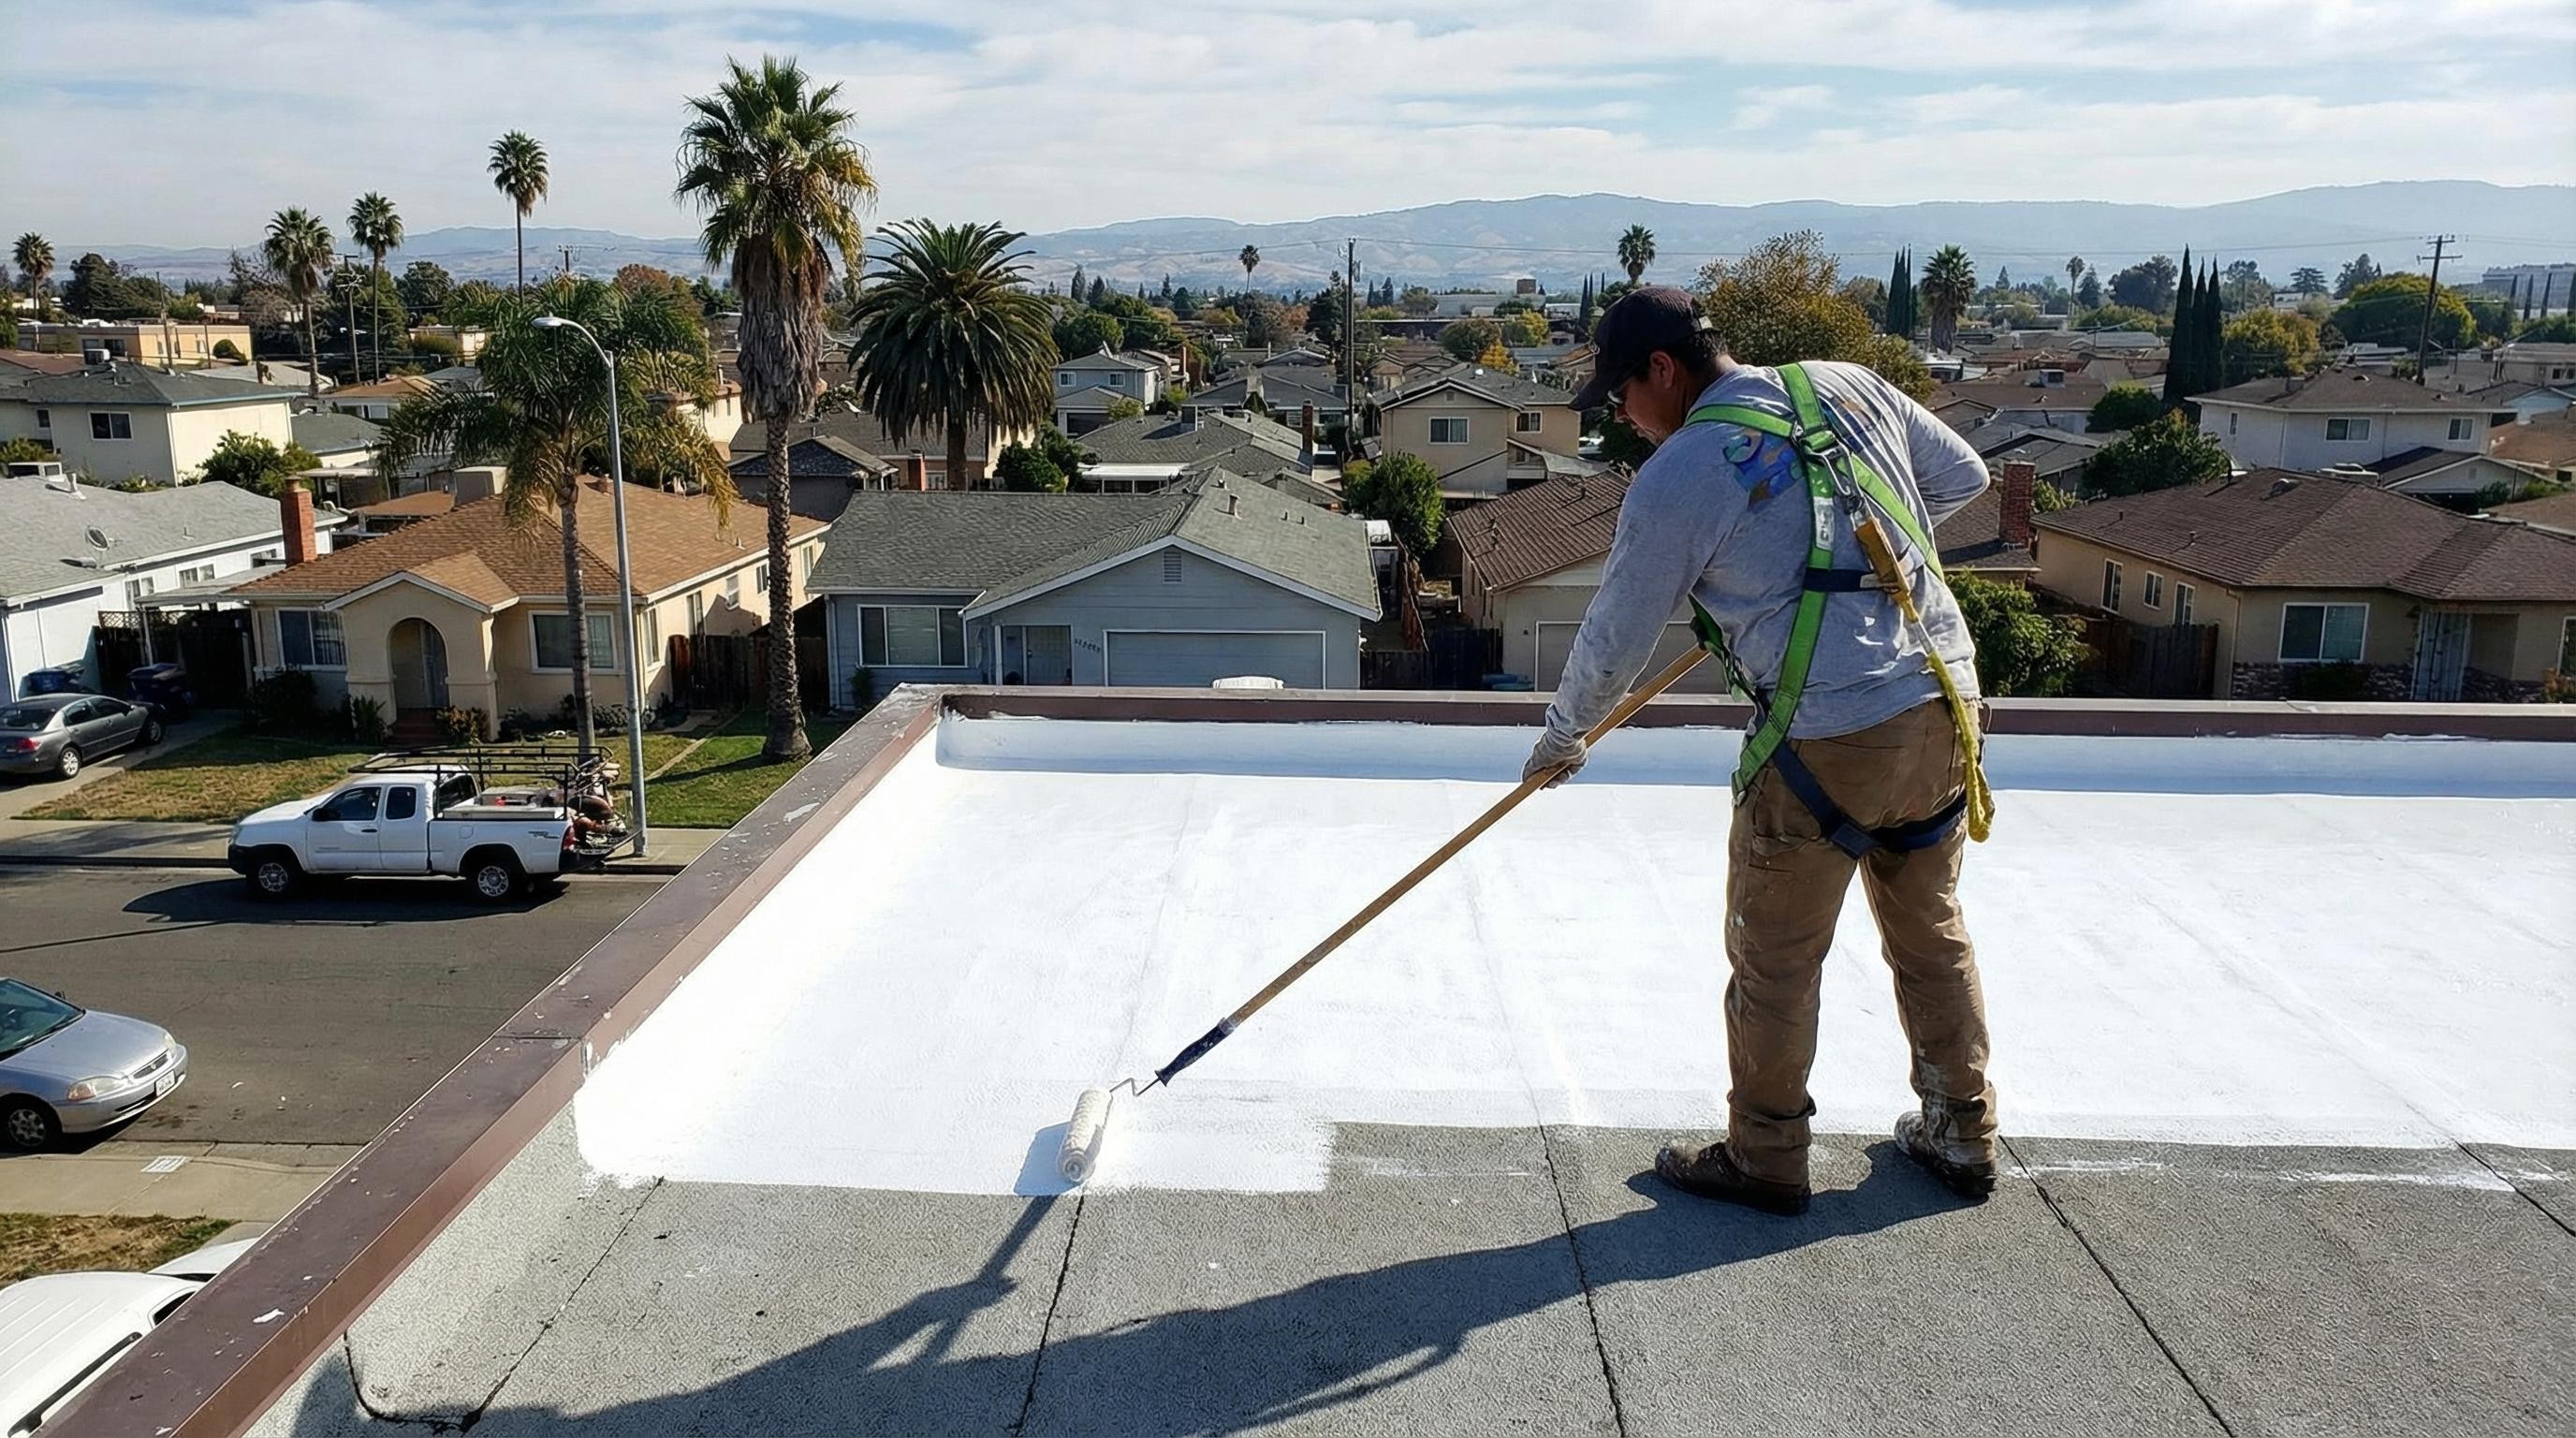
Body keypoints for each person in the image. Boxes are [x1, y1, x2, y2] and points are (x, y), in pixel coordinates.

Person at [1529, 286, 1998, 1215]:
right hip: (1944, 705)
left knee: (1774, 958)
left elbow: (1619, 630)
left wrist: (1562, 736)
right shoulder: (1847, 383)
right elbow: (1962, 480)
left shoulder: (1684, 472)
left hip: (1827, 739)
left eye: (1619, 397)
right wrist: (1829, 574)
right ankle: (1961, 1133)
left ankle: (1764, 1155)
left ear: (1661, 370)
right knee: (1930, 935)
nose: (1622, 420)